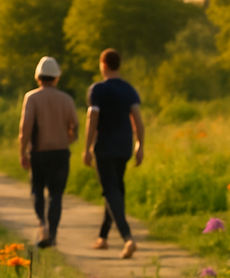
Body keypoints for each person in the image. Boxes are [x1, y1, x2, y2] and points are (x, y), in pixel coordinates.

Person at [83, 49, 144, 259]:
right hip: (124, 145)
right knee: (116, 188)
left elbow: (93, 117)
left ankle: (128, 238)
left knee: (110, 191)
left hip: (105, 146)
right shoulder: (129, 89)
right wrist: (140, 145)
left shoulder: (98, 89)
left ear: (103, 64)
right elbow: (137, 119)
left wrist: (87, 147)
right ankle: (103, 237)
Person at [19, 56, 79, 248]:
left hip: (39, 153)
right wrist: (69, 138)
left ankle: (42, 224)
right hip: (61, 152)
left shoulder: (32, 98)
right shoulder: (66, 99)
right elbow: (75, 126)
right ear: (57, 78)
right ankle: (52, 234)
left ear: (38, 78)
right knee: (56, 194)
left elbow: (25, 127)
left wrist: (23, 151)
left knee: (37, 189)